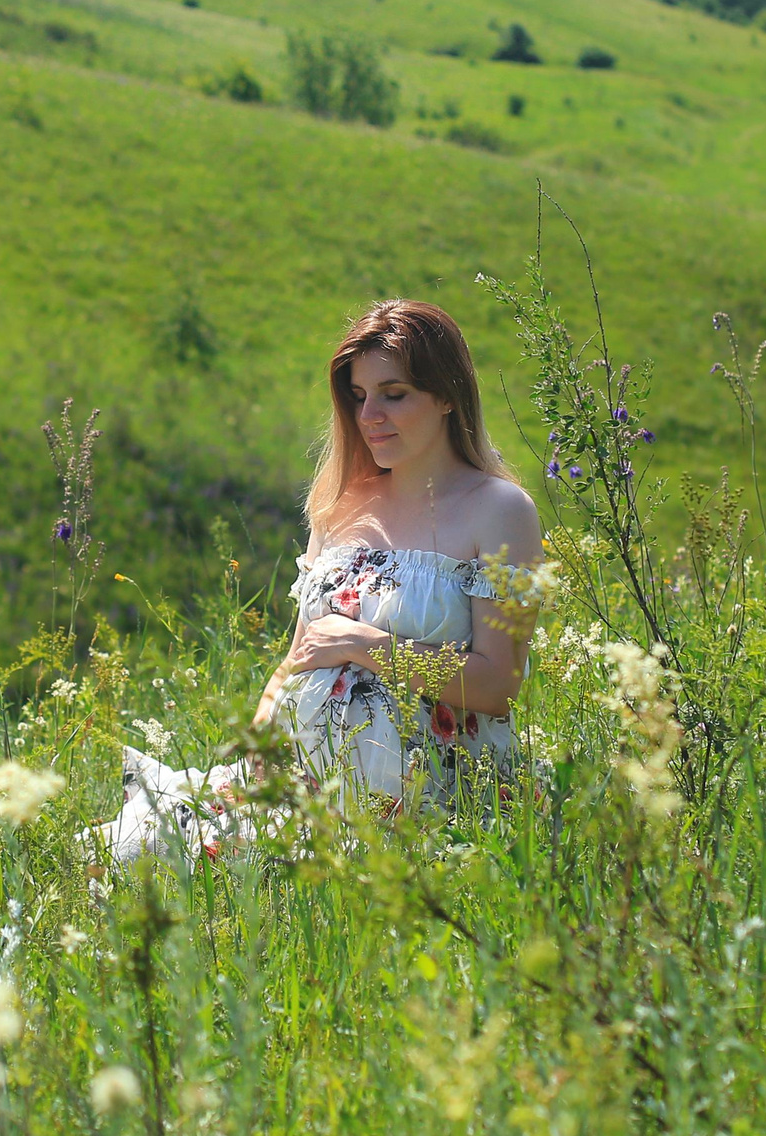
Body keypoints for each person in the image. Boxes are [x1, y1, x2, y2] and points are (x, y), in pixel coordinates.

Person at [95, 300, 545, 863]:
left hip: (421, 796)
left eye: (394, 394)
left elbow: (498, 684)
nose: (369, 415)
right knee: (132, 851)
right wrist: (260, 737)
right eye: (358, 396)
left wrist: (364, 643)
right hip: (299, 778)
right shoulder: (341, 505)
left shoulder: (499, 510)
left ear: (448, 395)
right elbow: (300, 653)